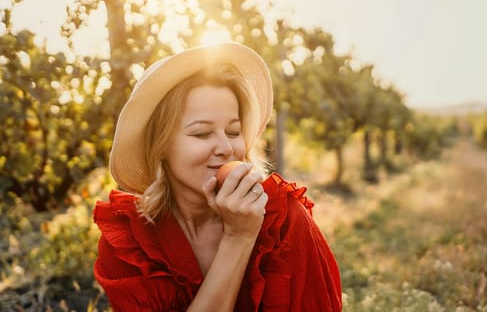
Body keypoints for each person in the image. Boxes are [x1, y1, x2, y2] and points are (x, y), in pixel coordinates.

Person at [93, 42, 342, 311]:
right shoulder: (131, 242)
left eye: (233, 132)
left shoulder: (283, 220)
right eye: (201, 133)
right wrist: (238, 237)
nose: (226, 148)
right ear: (161, 145)